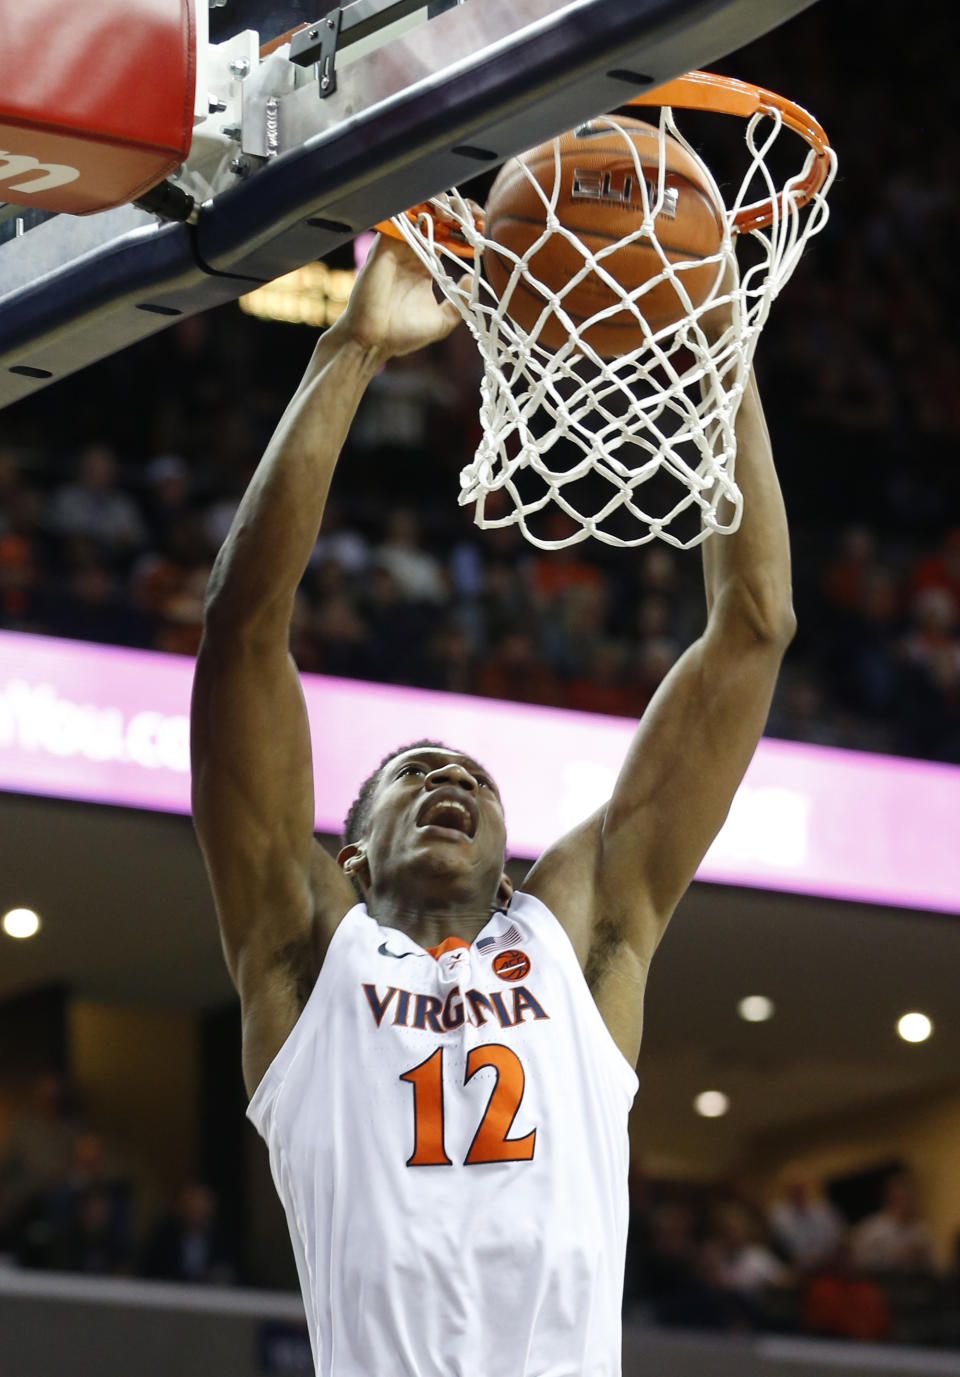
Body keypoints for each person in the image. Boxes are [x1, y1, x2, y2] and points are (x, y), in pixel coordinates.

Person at [190, 235, 795, 1376]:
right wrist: (351, 350)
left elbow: (753, 631)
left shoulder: (579, 939)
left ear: (516, 864)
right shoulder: (308, 958)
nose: (450, 781)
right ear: (350, 858)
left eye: (472, 778)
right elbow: (242, 630)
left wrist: (725, 354)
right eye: (412, 773)